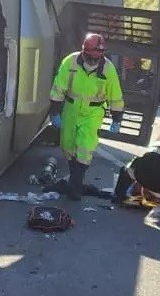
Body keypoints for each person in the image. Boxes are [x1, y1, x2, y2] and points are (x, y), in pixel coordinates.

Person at [49, 33, 125, 201]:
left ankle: (75, 185)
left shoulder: (108, 68)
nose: (94, 60)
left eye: (98, 56)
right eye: (91, 56)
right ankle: (75, 182)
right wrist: (54, 111)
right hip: (71, 108)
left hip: (93, 112)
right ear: (84, 51)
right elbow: (58, 87)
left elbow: (115, 95)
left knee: (84, 148)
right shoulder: (70, 62)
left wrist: (117, 118)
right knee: (67, 145)